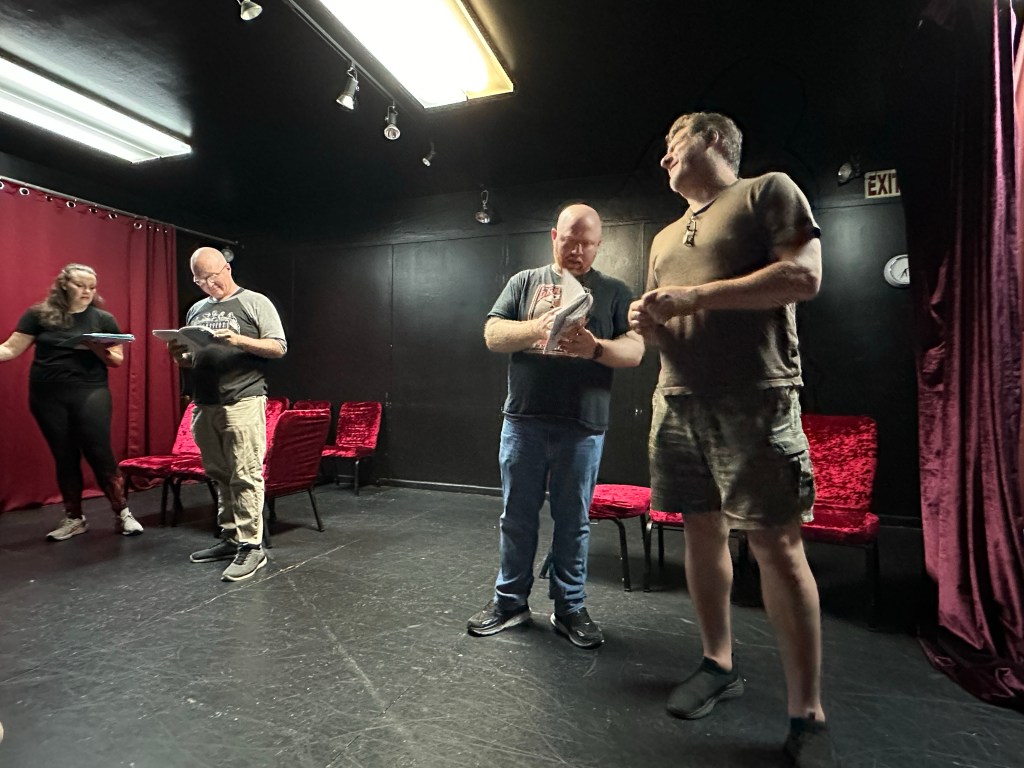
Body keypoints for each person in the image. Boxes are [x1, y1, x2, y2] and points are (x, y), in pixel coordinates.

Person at [629, 112, 839, 767]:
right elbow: (667, 323)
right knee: (700, 533)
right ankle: (718, 664)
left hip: (756, 397)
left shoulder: (767, 190)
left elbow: (802, 277)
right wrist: (649, 321)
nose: (664, 156)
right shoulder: (664, 237)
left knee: (776, 546)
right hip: (677, 401)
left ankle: (807, 715)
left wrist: (693, 296)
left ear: (713, 140)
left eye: (674, 141)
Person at [467, 203, 644, 649]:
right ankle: (510, 603)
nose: (577, 251)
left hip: (583, 427)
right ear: (554, 237)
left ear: (599, 245)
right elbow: (492, 334)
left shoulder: (615, 291)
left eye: (587, 243)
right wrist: (538, 328)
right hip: (523, 421)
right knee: (516, 518)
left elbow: (636, 351)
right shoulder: (524, 282)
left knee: (573, 522)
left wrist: (595, 348)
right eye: (569, 241)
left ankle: (569, 608)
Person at [166, 247, 287, 582]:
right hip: (205, 403)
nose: (208, 284)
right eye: (200, 280)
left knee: (245, 474)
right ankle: (231, 537)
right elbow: (192, 359)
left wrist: (238, 339)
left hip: (243, 399)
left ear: (227, 268)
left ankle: (252, 547)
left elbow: (278, 347)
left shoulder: (254, 302)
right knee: (220, 473)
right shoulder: (196, 309)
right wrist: (179, 356)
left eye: (212, 277)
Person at [0, 263, 143, 540]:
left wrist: (96, 348)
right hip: (46, 395)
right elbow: (10, 348)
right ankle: (74, 518)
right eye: (80, 286)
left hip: (90, 392)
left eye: (92, 287)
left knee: (99, 452)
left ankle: (123, 513)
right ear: (64, 284)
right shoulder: (38, 314)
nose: (87, 291)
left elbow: (116, 360)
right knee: (64, 455)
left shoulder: (102, 319)